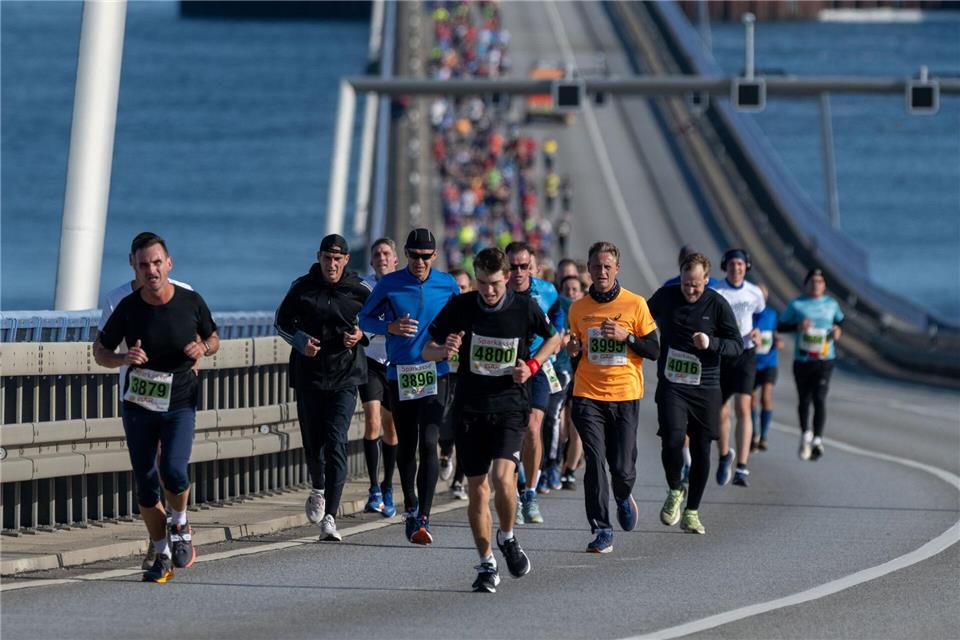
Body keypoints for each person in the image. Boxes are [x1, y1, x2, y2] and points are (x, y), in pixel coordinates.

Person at [423, 247, 561, 592]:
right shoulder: (462, 307)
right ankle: (486, 564)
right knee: (477, 491)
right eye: (482, 283)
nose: (488, 291)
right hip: (470, 410)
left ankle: (508, 536)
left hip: (510, 406)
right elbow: (427, 348)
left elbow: (554, 338)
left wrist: (531, 366)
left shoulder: (523, 307)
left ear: (506, 279)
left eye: (495, 283)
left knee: (502, 478)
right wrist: (444, 351)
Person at [94, 233, 219, 583]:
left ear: (169, 263)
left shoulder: (190, 300)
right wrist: (123, 357)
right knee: (147, 484)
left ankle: (179, 521)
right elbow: (99, 351)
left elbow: (213, 337)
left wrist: (203, 349)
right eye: (144, 264)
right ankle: (161, 551)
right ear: (133, 265)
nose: (151, 270)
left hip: (180, 400)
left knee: (174, 471)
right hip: (138, 403)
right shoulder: (126, 306)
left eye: (157, 262)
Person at [359, 228, 460, 544]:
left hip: (436, 372)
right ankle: (411, 502)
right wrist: (388, 326)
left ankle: (424, 518)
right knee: (406, 444)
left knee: (429, 441)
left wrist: (458, 338)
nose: (419, 261)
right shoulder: (390, 283)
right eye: (414, 256)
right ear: (405, 253)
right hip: (400, 374)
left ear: (434, 256)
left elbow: (465, 318)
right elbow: (364, 319)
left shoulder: (447, 284)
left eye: (425, 256)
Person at [276, 234, 370, 542]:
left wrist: (360, 334)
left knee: (336, 441)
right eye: (327, 258)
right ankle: (318, 487)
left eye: (337, 259)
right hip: (310, 375)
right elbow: (281, 322)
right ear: (319, 257)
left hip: (345, 375)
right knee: (313, 442)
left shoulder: (359, 288)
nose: (332, 264)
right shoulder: (302, 287)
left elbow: (379, 318)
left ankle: (330, 516)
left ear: (346, 260)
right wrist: (300, 341)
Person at [567, 242, 659, 553]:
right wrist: (573, 351)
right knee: (594, 460)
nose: (602, 271)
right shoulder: (578, 309)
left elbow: (654, 350)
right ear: (588, 270)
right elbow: (577, 353)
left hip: (625, 395)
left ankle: (622, 495)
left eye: (607, 266)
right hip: (587, 394)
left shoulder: (635, 304)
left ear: (617, 269)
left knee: (622, 468)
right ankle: (601, 528)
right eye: (596, 266)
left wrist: (627, 337)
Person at [647, 252, 742, 536]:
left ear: (706, 280)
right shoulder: (666, 296)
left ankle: (692, 511)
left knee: (701, 449)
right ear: (681, 278)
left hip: (706, 387)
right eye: (687, 283)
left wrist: (711, 343)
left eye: (696, 285)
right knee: (673, 439)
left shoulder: (717, 304)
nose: (691, 290)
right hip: (673, 385)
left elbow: (736, 345)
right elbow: (640, 320)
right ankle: (676, 487)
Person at [505, 241, 565, 524]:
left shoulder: (547, 290)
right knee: (513, 430)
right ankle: (514, 492)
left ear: (532, 266)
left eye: (523, 266)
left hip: (538, 366)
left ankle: (530, 493)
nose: (518, 272)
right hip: (508, 368)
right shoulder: (499, 292)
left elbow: (558, 312)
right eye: (512, 267)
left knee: (532, 428)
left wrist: (558, 337)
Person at [778, 268, 844, 461]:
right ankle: (805, 433)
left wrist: (838, 330)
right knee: (804, 399)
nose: (816, 285)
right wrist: (797, 327)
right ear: (806, 284)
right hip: (803, 360)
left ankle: (817, 439)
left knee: (820, 398)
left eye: (820, 282)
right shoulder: (797, 305)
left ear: (824, 285)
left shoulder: (831, 304)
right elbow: (780, 326)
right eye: (813, 281)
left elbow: (841, 321)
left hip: (825, 359)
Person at [712, 249, 765, 487]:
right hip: (722, 355)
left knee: (744, 406)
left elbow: (761, 314)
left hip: (746, 353)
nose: (737, 268)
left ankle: (742, 467)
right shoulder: (716, 292)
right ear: (726, 266)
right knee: (721, 411)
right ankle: (725, 456)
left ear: (747, 267)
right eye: (732, 264)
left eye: (741, 265)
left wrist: (758, 331)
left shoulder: (754, 292)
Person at [359, 238, 400, 517]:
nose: (382, 257)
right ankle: (373, 489)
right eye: (377, 254)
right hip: (371, 362)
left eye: (387, 253)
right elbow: (357, 320)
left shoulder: (404, 286)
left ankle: (388, 486)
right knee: (372, 421)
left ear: (395, 259)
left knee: (392, 428)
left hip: (397, 363)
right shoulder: (364, 287)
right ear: (371, 261)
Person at [443, 267, 473, 501]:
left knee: (465, 427)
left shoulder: (477, 314)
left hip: (467, 378)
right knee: (443, 420)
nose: (458, 292)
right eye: (454, 288)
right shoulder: (443, 312)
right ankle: (445, 451)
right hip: (442, 374)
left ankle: (458, 482)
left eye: (463, 287)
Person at [558, 275, 585, 490]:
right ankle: (558, 461)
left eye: (574, 289)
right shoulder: (558, 311)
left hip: (581, 378)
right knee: (561, 426)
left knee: (576, 429)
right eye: (567, 289)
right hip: (560, 374)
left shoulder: (587, 316)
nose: (570, 293)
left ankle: (569, 470)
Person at [751, 284, 781, 452]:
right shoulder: (748, 314)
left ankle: (764, 435)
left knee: (766, 397)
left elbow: (776, 332)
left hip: (769, 362)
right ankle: (754, 433)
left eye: (763, 296)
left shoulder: (771, 314)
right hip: (751, 363)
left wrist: (777, 340)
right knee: (751, 400)